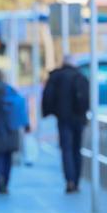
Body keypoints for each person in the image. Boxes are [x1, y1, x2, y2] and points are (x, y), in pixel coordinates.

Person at [42, 57, 90, 193]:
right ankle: (76, 180)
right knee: (77, 149)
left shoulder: (56, 77)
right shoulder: (81, 77)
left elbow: (48, 96)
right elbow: (87, 99)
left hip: (63, 119)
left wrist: (49, 111)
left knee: (66, 150)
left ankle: (69, 180)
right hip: (79, 119)